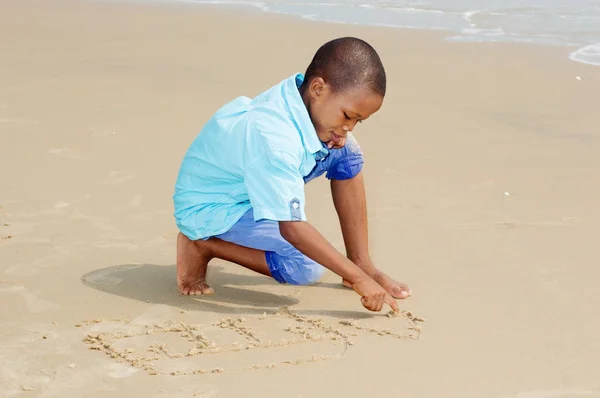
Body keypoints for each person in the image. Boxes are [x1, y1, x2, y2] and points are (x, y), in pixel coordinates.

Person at [173, 37, 411, 313]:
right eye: (347, 115)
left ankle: (361, 262)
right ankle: (202, 245)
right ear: (318, 88)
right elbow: (293, 229)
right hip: (213, 207)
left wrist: (360, 271)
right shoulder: (275, 141)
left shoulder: (301, 99)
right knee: (306, 268)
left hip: (245, 183)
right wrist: (360, 282)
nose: (350, 127)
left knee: (346, 153)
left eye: (358, 121)